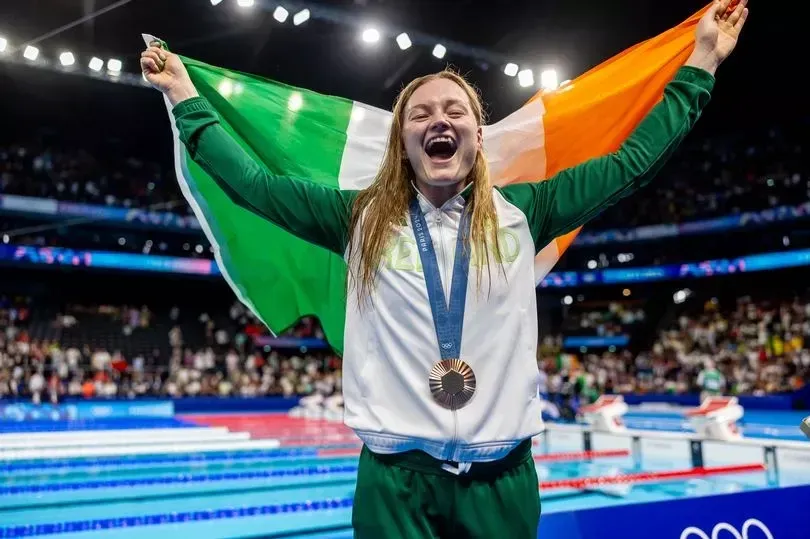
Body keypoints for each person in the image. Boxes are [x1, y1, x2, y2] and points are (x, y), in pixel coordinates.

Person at [140, 1, 748, 536]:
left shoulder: (525, 211)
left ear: (477, 136)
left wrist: (701, 65)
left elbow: (631, 163)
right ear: (402, 140)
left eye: (454, 110)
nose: (439, 120)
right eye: (420, 113)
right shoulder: (359, 218)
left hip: (502, 478)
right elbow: (253, 185)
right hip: (395, 480)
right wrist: (182, 95)